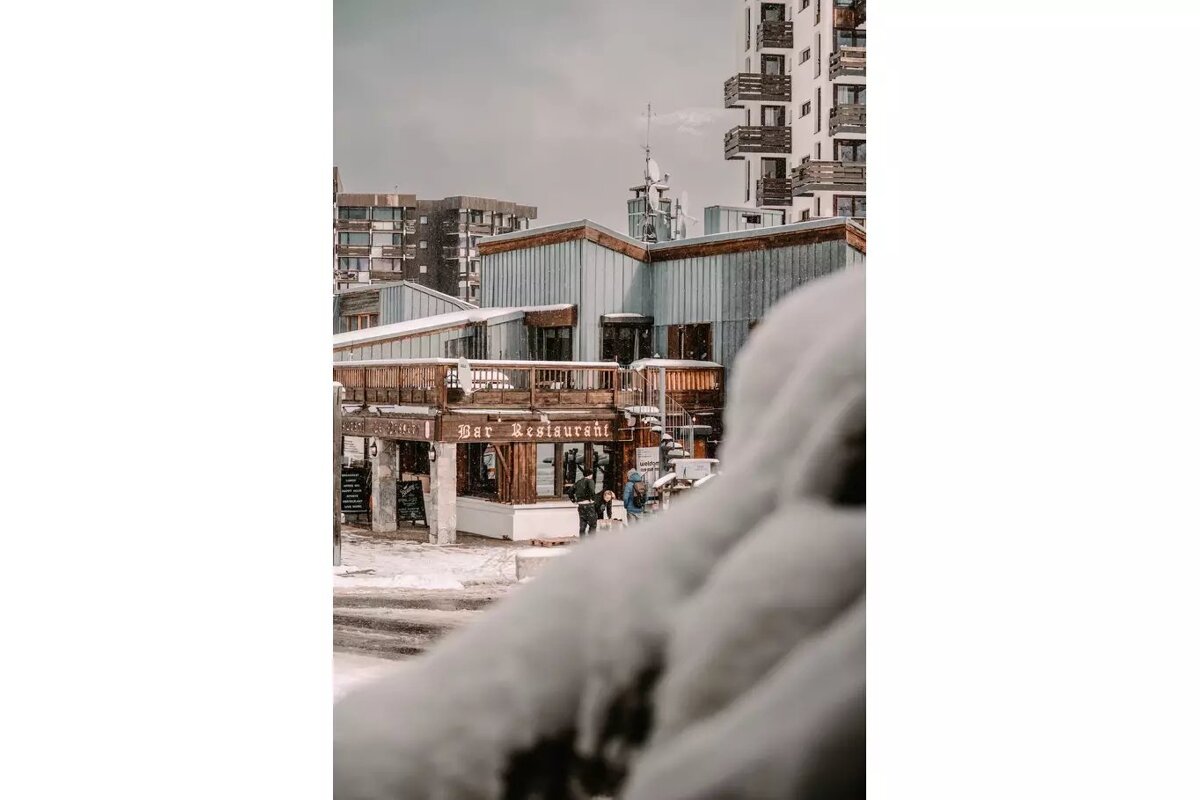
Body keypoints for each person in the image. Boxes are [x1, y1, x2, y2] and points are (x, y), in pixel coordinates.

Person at [571, 468, 598, 537]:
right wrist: (593, 499)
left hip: (581, 506)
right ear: (590, 474)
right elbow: (592, 490)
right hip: (588, 505)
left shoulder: (578, 482)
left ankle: (582, 541)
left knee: (583, 524)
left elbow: (569, 491)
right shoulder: (590, 481)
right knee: (593, 524)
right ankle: (591, 541)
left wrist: (574, 500)